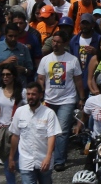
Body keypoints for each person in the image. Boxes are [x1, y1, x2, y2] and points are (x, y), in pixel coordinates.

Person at [9, 82, 60, 184]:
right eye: (28, 94)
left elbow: (52, 136)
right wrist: (11, 157)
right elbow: (15, 135)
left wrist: (48, 157)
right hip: (25, 161)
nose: (30, 97)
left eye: (33, 94)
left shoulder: (49, 113)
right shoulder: (20, 112)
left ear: (40, 95)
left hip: (44, 161)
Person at [36, 30, 85, 171]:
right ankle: (47, 156)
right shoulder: (46, 60)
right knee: (48, 130)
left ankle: (59, 160)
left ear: (64, 43)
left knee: (62, 131)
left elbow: (78, 80)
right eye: (53, 41)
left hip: (67, 100)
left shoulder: (72, 60)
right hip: (49, 100)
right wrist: (41, 92)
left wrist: (81, 97)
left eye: (58, 42)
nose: (55, 44)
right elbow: (40, 77)